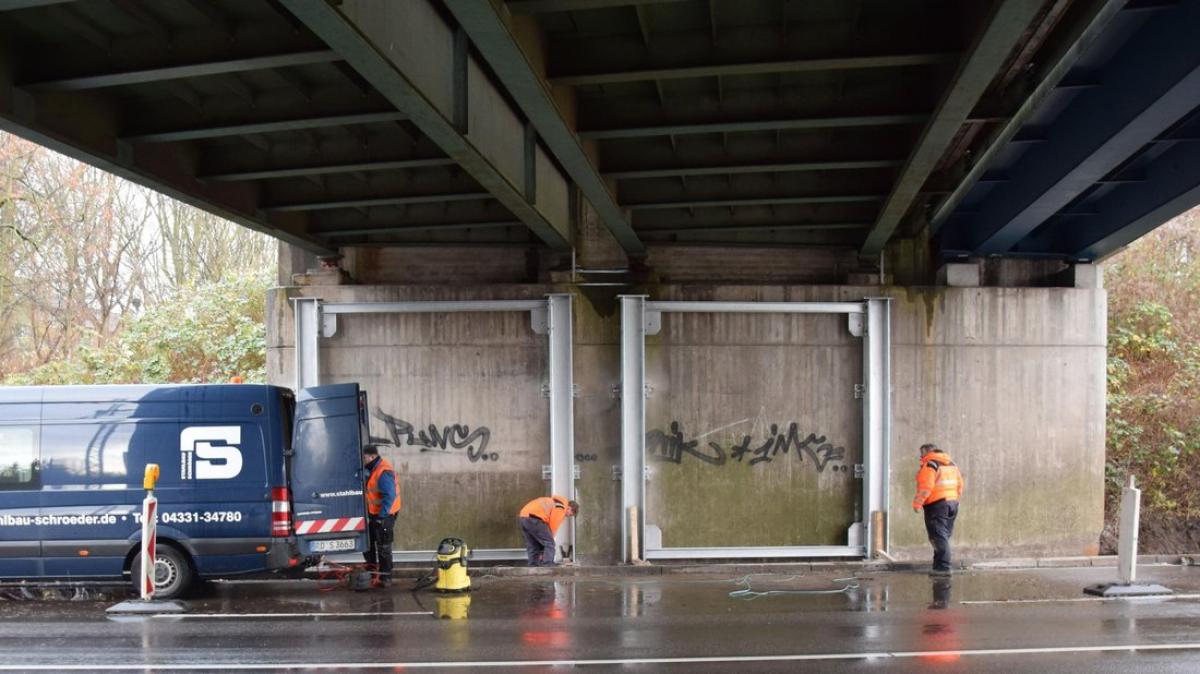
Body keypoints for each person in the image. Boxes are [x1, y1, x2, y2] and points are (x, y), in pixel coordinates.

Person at [912, 443, 963, 575]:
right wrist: (955, 499)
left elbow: (926, 486)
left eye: (922, 454)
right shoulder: (951, 464)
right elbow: (960, 485)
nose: (920, 457)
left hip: (937, 505)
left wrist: (918, 504)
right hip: (952, 503)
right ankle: (938, 565)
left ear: (928, 452)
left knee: (938, 536)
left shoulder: (931, 465)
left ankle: (943, 568)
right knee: (943, 535)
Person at [362, 444, 401, 587]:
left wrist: (381, 516)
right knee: (368, 543)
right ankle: (372, 573)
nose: (363, 460)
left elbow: (389, 496)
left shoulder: (383, 471)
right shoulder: (372, 469)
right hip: (375, 514)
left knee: (383, 546)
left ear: (372, 456)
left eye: (364, 457)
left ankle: (386, 578)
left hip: (385, 515)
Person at [517, 495, 578, 566]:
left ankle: (533, 566)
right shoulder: (561, 507)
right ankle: (548, 564)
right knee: (550, 543)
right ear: (570, 508)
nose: (567, 516)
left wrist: (543, 548)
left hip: (523, 517)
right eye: (570, 514)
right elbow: (553, 525)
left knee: (533, 545)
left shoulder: (554, 502)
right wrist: (550, 539)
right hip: (535, 518)